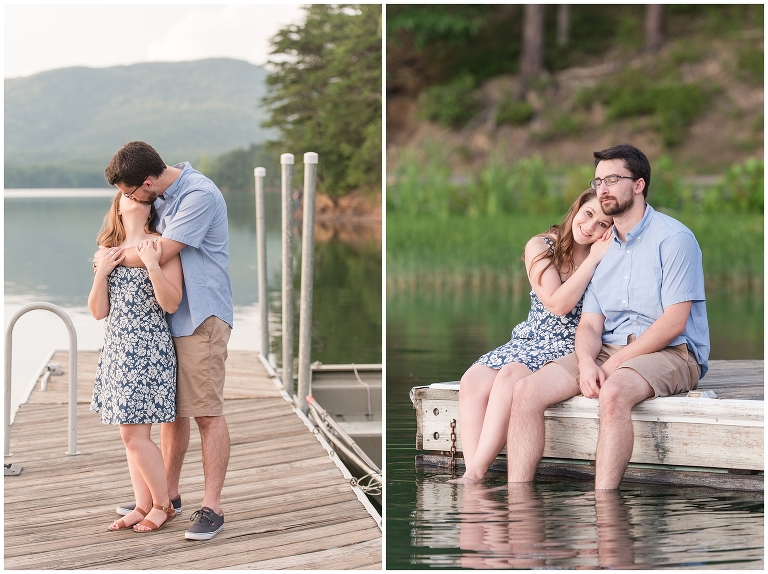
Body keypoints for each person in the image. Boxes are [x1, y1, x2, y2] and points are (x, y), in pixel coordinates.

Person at [504, 143, 709, 489]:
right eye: (598, 181)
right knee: (525, 391)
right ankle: (518, 502)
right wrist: (586, 362)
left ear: (639, 184)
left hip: (673, 351)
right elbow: (589, 323)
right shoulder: (602, 247)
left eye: (612, 180)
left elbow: (675, 322)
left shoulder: (674, 239)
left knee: (613, 393)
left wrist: (614, 364)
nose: (603, 189)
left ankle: (603, 508)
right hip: (607, 349)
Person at [95, 141, 234, 540]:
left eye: (129, 192)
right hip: (167, 319)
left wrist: (107, 258)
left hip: (200, 315)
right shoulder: (163, 194)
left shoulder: (198, 195)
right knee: (174, 413)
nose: (128, 199)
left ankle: (212, 507)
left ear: (149, 181)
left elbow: (164, 250)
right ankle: (166, 496)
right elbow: (147, 242)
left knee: (206, 412)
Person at [457, 189, 613, 482]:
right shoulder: (541, 246)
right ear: (577, 209)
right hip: (531, 337)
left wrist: (594, 259)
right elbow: (556, 303)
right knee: (472, 380)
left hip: (572, 343)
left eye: (603, 224)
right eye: (589, 214)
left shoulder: (605, 257)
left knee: (509, 376)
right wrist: (593, 261)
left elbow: (576, 315)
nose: (591, 226)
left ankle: (475, 475)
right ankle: (473, 469)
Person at [89, 191, 183, 532]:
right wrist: (102, 272)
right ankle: (142, 503)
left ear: (151, 209)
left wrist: (154, 264)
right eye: (127, 194)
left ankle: (162, 505)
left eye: (142, 195)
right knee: (128, 435)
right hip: (116, 349)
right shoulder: (107, 251)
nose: (135, 197)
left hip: (147, 348)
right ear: (117, 205)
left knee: (133, 434)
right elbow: (99, 311)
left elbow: (171, 303)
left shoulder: (161, 245)